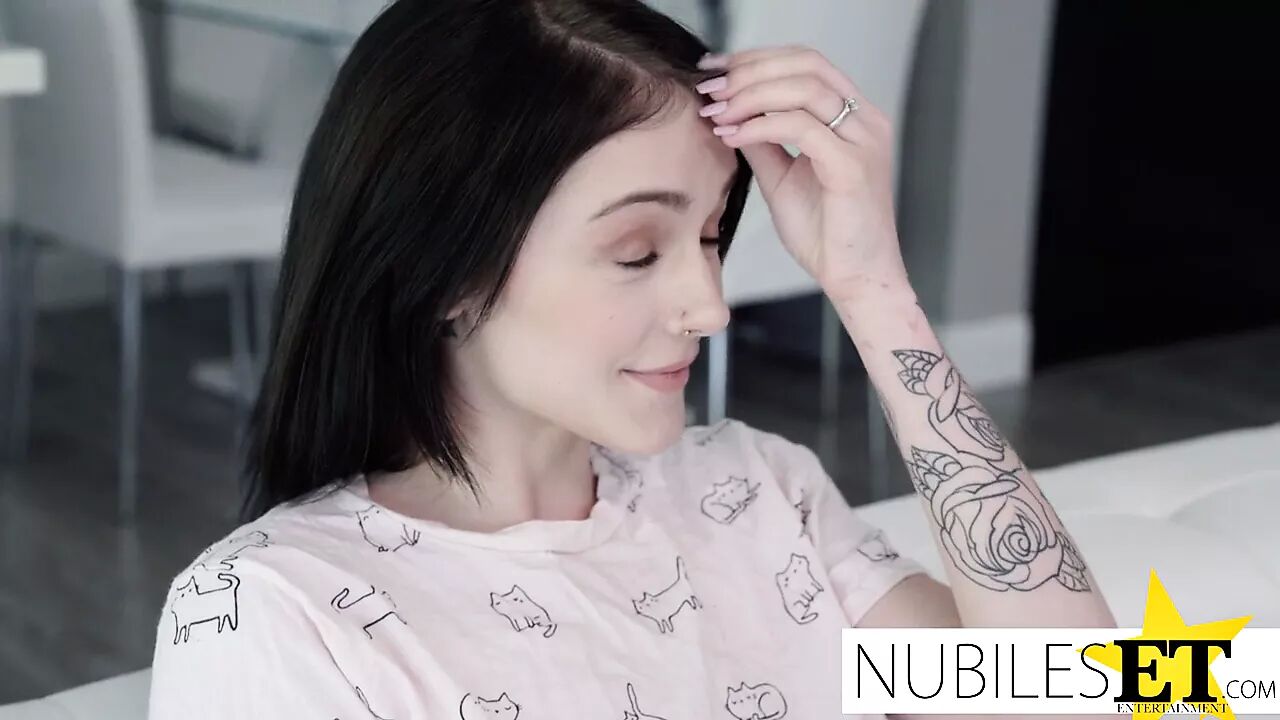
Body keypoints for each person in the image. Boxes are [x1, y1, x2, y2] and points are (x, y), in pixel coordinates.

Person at [148, 0, 1116, 717]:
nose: (710, 305)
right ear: (446, 272)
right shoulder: (273, 612)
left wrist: (874, 290)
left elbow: (1094, 697)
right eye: (636, 251)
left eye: (710, 235)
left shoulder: (756, 491)